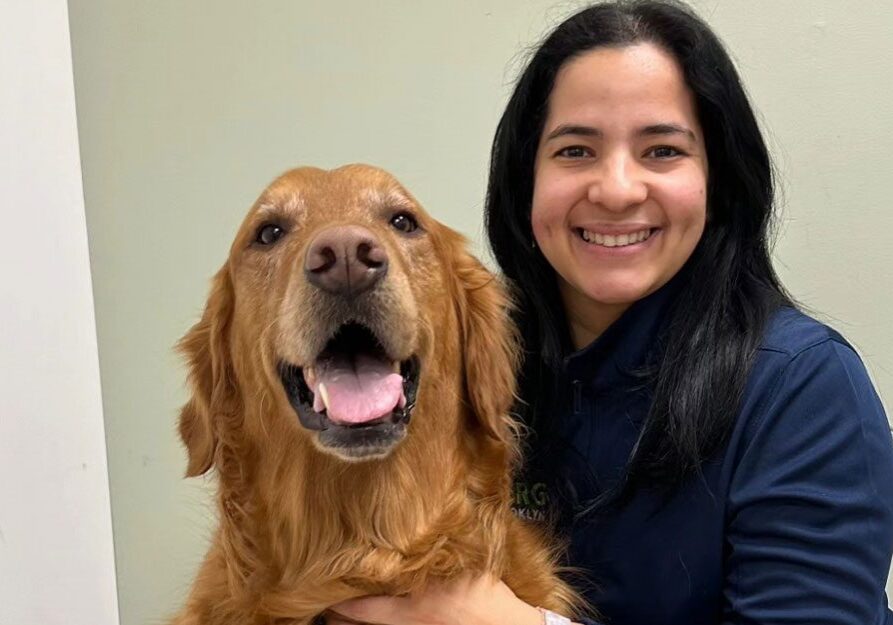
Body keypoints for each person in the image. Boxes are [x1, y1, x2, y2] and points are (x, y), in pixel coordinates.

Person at [329, 1, 893, 623]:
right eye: (575, 151)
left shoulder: (802, 388)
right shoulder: (460, 366)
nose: (617, 190)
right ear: (525, 182)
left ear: (718, 179)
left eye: (662, 151)